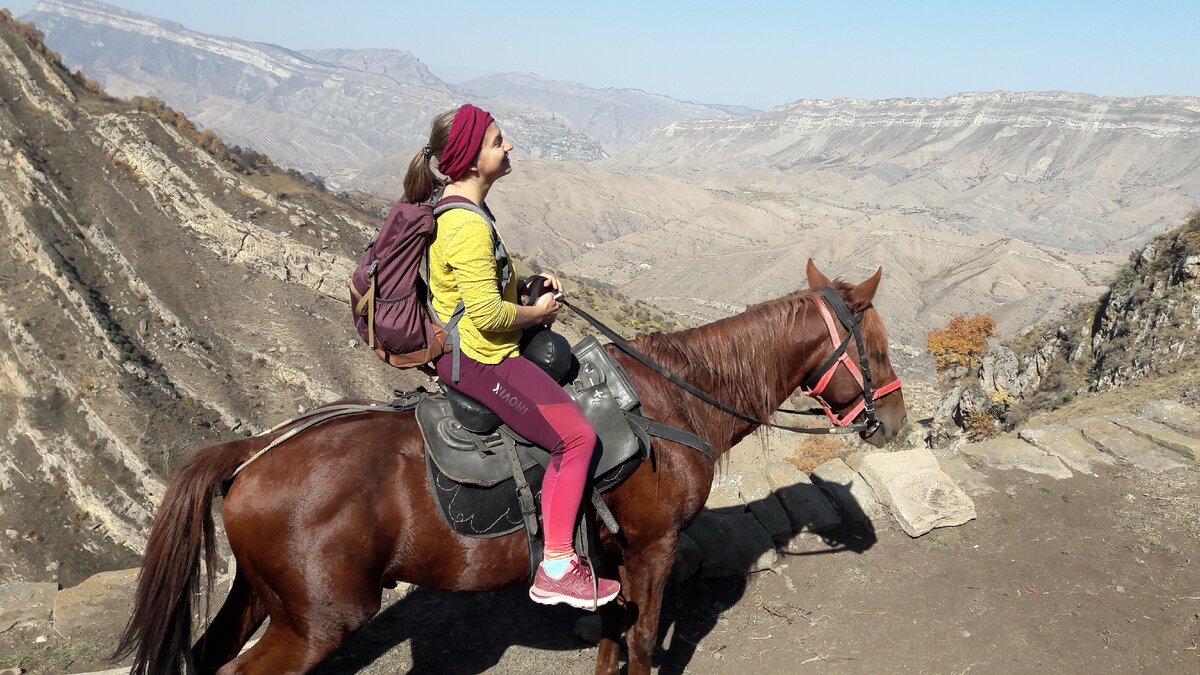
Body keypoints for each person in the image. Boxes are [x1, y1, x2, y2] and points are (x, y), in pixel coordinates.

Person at [402, 103, 620, 609]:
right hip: (482, 360)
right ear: (472, 159)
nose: (510, 146)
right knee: (576, 438)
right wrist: (539, 314)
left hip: (482, 347)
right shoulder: (466, 224)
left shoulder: (462, 206)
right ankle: (558, 565)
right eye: (498, 141)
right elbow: (487, 318)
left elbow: (478, 286)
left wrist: (526, 284)